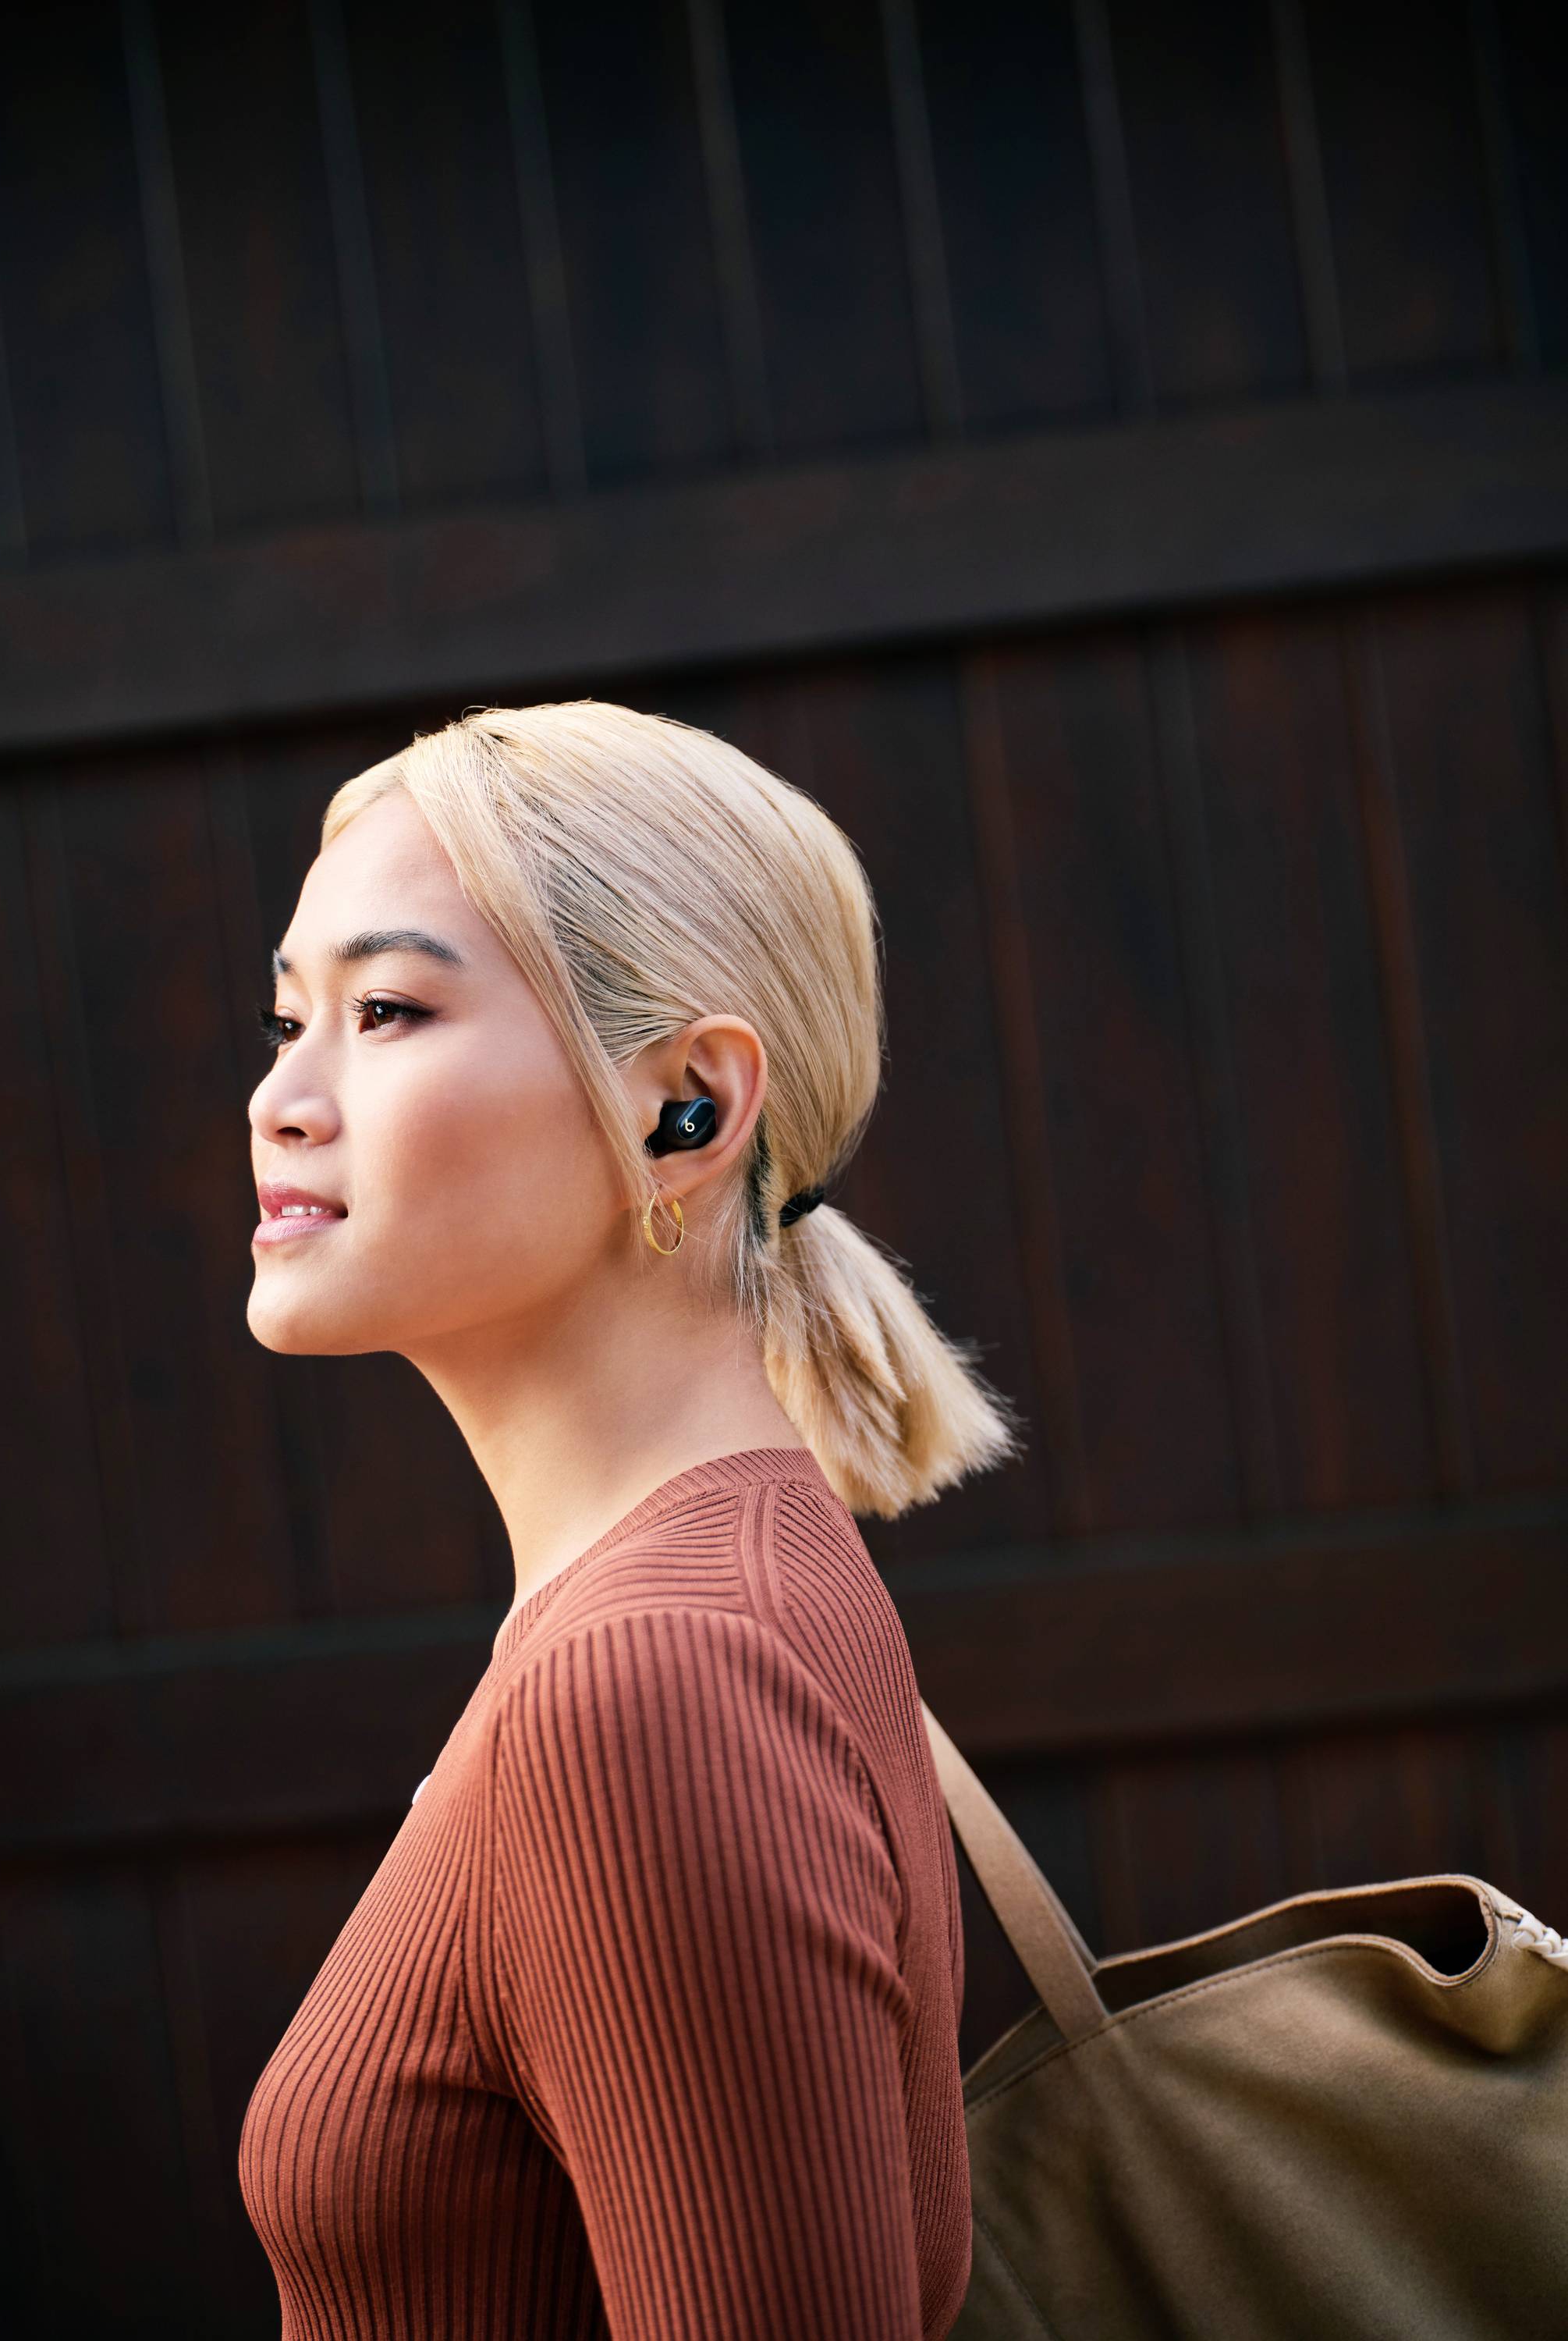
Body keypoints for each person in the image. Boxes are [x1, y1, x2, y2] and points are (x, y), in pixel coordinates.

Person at [237, 701, 1016, 2339]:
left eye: (384, 1010)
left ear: (688, 1108)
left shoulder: (652, 1676)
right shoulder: (723, 1584)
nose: (283, 1099)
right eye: (284, 1018)